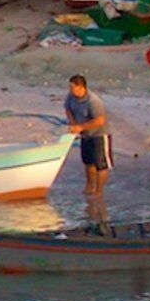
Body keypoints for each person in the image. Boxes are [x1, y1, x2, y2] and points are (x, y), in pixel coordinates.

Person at [61, 75, 111, 220]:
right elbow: (68, 109)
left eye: (72, 87)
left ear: (81, 87)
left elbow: (100, 120)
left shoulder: (93, 101)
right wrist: (73, 123)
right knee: (88, 162)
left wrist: (81, 126)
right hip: (85, 135)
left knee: (101, 164)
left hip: (99, 134)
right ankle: (89, 186)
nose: (70, 90)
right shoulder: (70, 97)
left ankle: (99, 191)